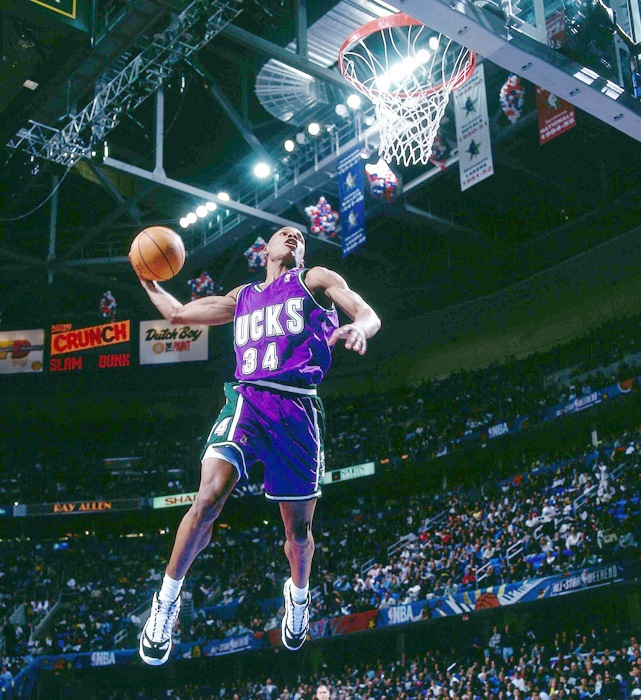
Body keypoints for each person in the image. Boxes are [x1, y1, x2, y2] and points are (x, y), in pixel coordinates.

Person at [133, 226, 381, 665]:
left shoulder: (315, 279)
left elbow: (366, 311)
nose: (293, 235)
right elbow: (178, 313)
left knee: (298, 534)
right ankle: (166, 602)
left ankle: (298, 598)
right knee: (207, 498)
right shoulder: (243, 296)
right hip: (248, 400)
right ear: (265, 250)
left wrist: (359, 327)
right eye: (284, 233)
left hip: (298, 410)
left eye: (299, 236)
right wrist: (148, 281)